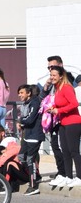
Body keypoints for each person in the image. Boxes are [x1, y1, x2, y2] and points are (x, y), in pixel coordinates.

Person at [45, 65, 81, 189]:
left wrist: (59, 110)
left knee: (73, 151)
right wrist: (53, 108)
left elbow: (74, 104)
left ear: (61, 76)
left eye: (54, 75)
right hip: (63, 123)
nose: (52, 77)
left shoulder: (66, 87)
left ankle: (79, 177)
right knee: (65, 151)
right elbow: (59, 103)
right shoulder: (57, 88)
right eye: (51, 75)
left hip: (73, 123)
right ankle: (69, 177)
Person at [38, 55, 71, 185]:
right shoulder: (52, 82)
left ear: (60, 66)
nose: (50, 71)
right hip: (52, 118)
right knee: (54, 145)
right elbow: (42, 98)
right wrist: (46, 86)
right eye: (49, 68)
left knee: (65, 147)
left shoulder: (67, 81)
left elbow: (70, 100)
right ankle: (61, 172)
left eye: (52, 67)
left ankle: (64, 173)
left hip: (63, 118)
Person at [16, 84, 43, 195]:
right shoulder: (26, 103)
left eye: (22, 93)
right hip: (27, 136)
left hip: (34, 136)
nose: (20, 95)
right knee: (21, 157)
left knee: (30, 159)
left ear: (29, 93)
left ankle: (33, 186)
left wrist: (21, 121)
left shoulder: (35, 103)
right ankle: (35, 176)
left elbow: (30, 119)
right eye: (19, 93)